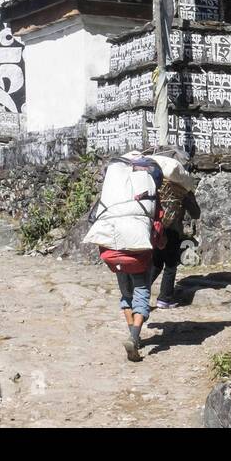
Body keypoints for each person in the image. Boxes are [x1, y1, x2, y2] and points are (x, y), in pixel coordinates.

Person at [84, 153, 162, 362]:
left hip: (112, 255)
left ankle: (134, 337)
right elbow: (158, 226)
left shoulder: (113, 197)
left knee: (126, 295)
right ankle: (134, 337)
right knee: (142, 292)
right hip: (138, 255)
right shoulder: (150, 197)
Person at [151, 186, 200, 309]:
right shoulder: (182, 190)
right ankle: (164, 298)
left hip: (156, 229)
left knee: (156, 264)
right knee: (170, 266)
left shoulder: (157, 186)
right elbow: (195, 213)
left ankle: (139, 292)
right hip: (173, 230)